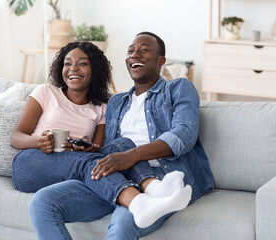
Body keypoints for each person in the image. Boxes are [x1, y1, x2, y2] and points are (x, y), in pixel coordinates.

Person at [27, 32, 215, 240]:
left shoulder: (178, 88)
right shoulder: (115, 103)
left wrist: (132, 156)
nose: (135, 55)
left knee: (122, 226)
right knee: (43, 202)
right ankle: (139, 197)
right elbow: (110, 147)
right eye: (130, 51)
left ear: (161, 60)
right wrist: (91, 148)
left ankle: (154, 193)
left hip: (165, 175)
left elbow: (184, 135)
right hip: (118, 177)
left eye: (144, 50)